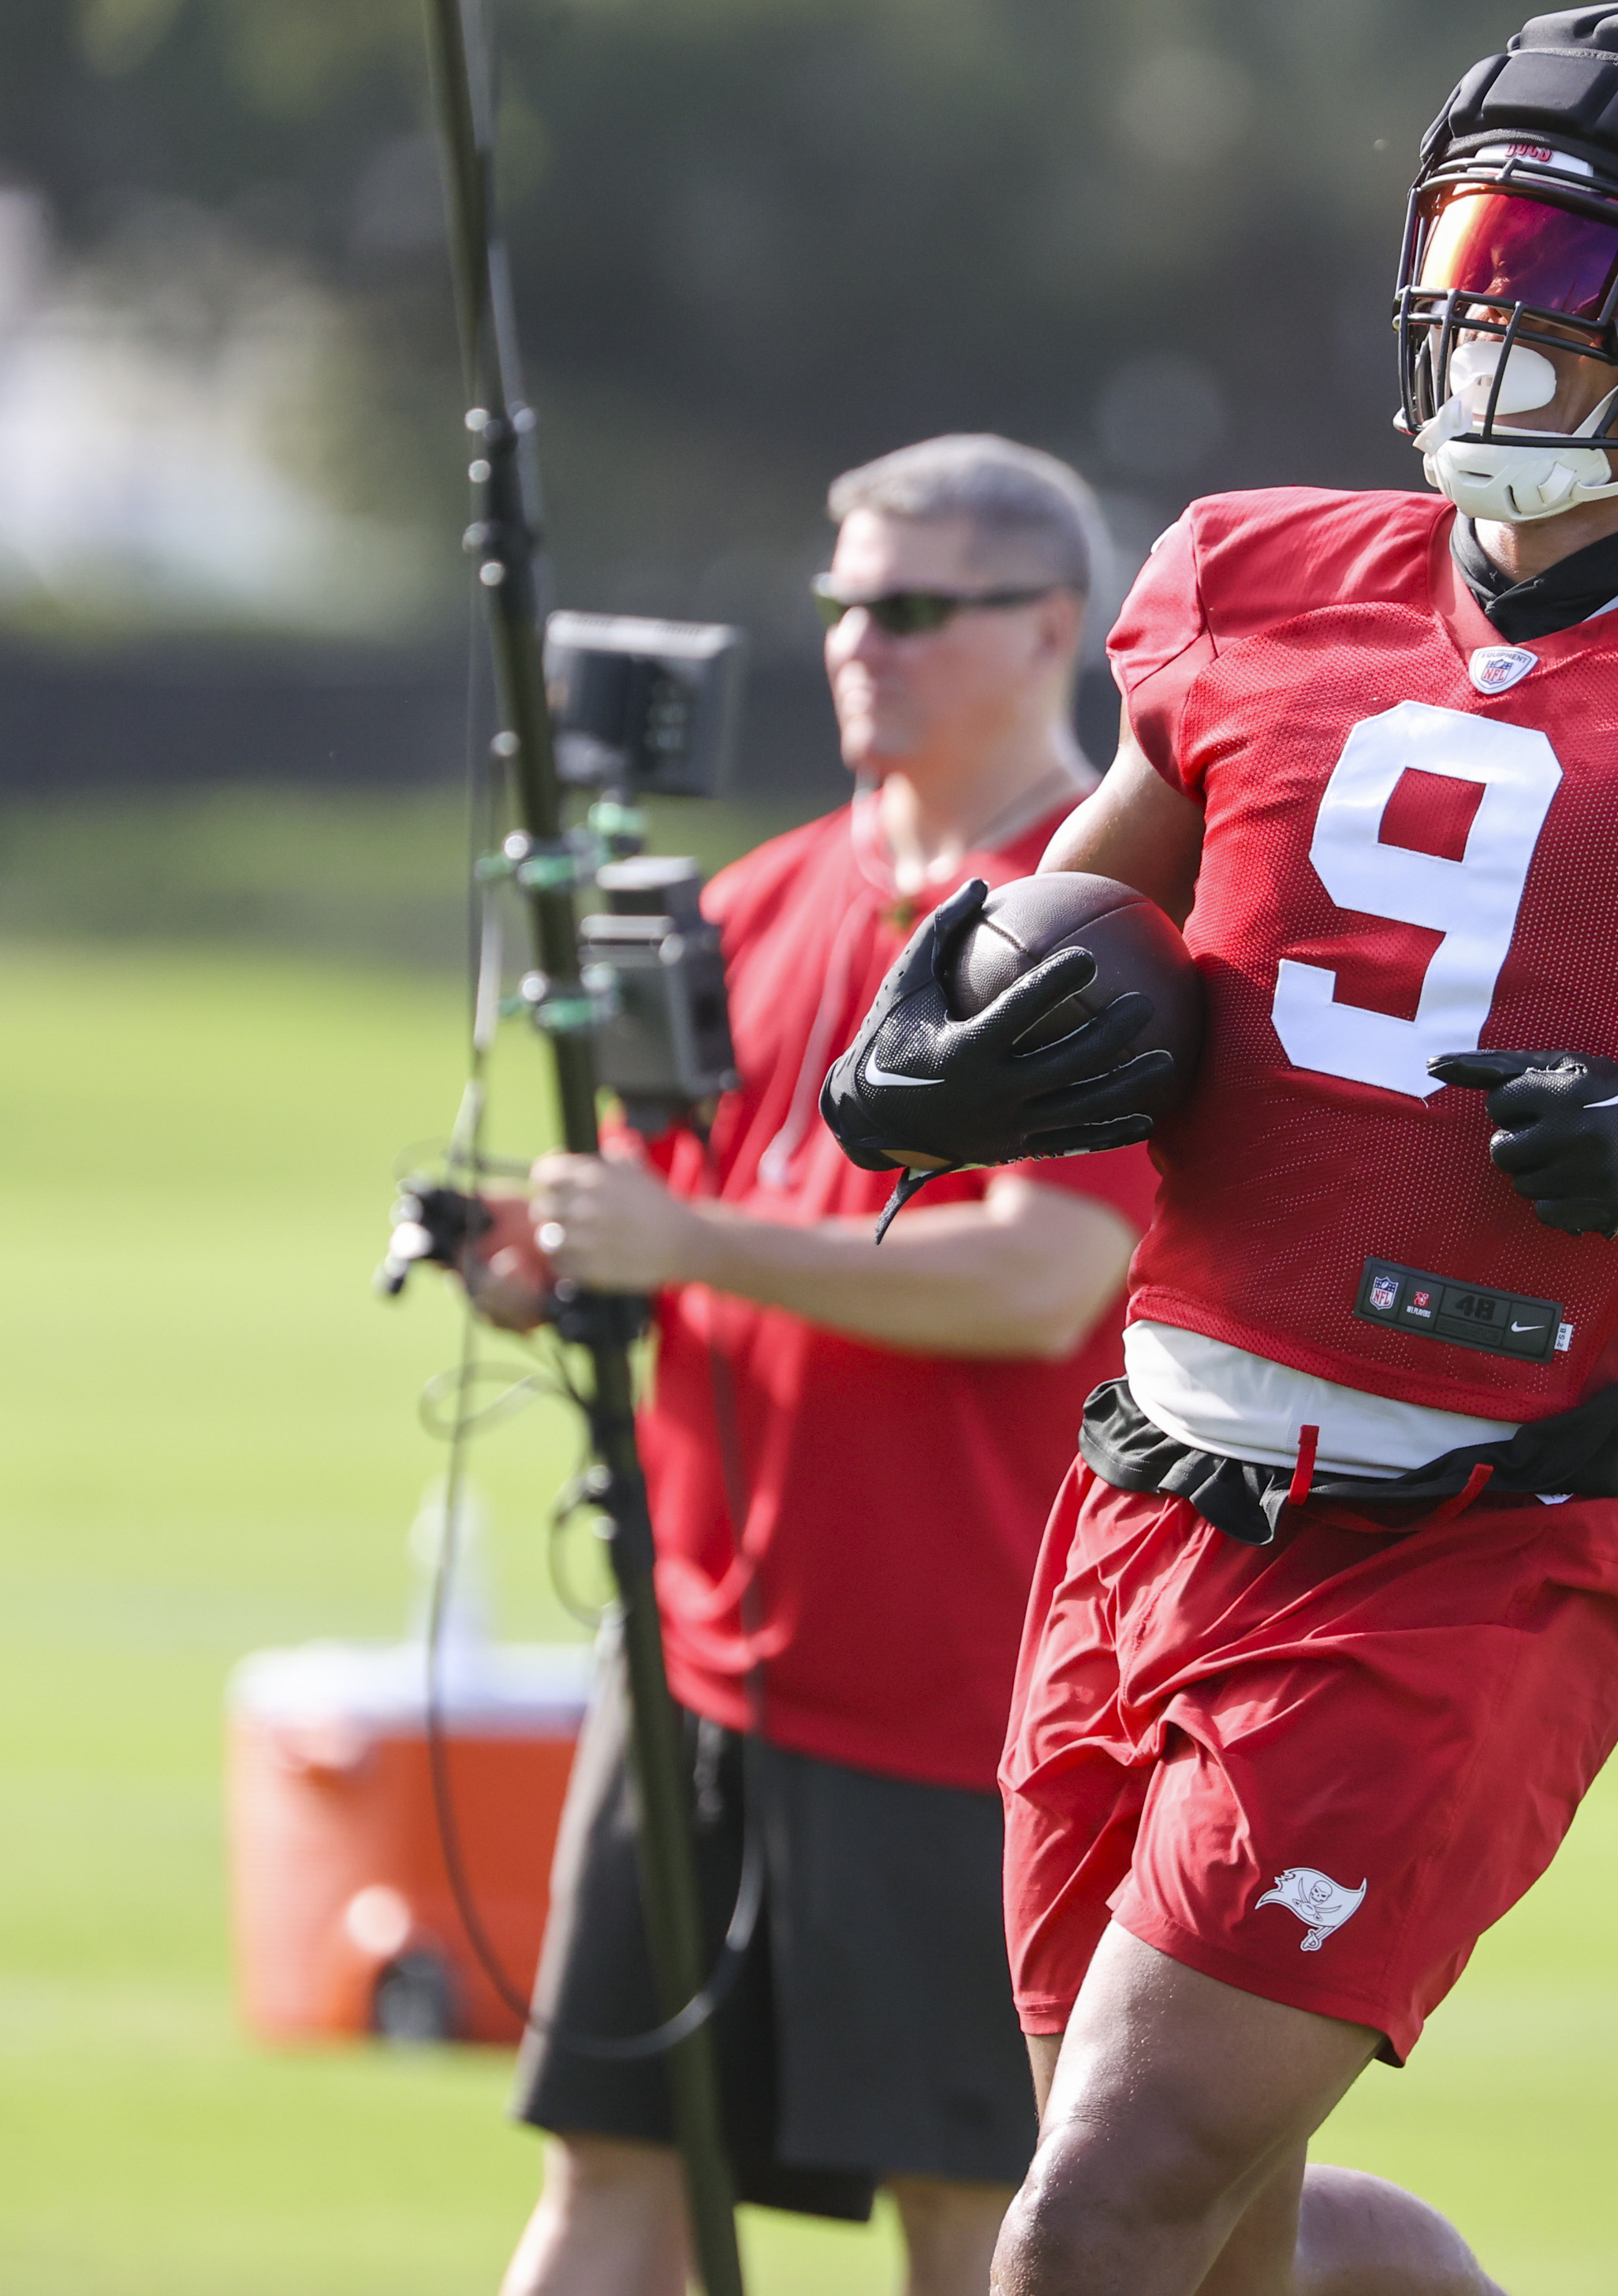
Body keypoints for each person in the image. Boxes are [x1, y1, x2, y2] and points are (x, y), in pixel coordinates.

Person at [822, 13, 1618, 2294]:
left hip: (1462, 1551)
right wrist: (934, 1031)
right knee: (1217, 2233)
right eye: (1469, 237)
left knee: (1092, 2224)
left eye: (1565, 260)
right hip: (1142, 1504)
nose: (1493, 300)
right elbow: (1079, 906)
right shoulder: (1258, 576)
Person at [468, 434, 1158, 2296]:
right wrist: (559, 1263)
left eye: (920, 608)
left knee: (972, 2221)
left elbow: (1044, 1274)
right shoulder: (758, 902)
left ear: (1053, 631)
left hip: (954, 1705)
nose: (868, 642)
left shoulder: (1091, 920)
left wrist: (691, 1245)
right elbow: (670, 1217)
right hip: (691, 1665)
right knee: (610, 2183)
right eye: (848, 603)